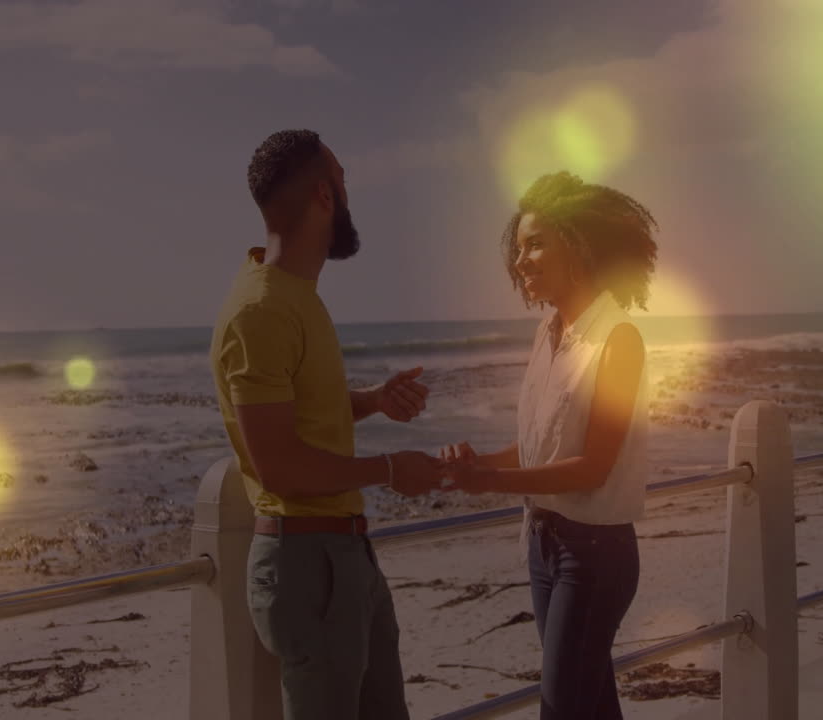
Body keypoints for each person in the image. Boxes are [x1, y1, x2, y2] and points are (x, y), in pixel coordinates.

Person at [210, 129, 443, 720]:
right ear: (323, 195)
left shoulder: (295, 295)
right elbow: (280, 467)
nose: (348, 195)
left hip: (343, 554)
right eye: (343, 180)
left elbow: (303, 412)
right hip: (306, 564)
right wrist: (393, 469)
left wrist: (370, 402)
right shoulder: (260, 310)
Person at [441, 171, 657, 719]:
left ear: (579, 244)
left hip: (594, 554)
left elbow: (593, 466)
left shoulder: (618, 340)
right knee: (593, 706)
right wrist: (480, 463)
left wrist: (490, 483)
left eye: (535, 243)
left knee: (562, 710)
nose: (521, 260)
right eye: (518, 248)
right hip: (543, 545)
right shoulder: (549, 333)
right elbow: (542, 444)